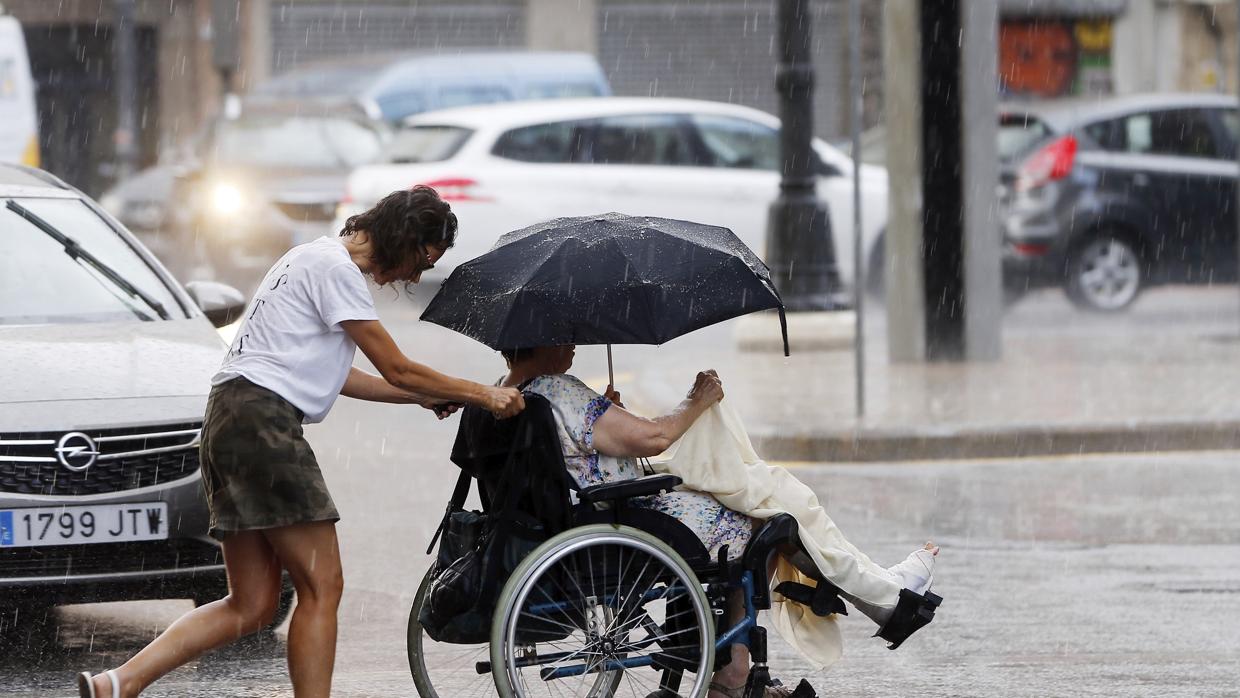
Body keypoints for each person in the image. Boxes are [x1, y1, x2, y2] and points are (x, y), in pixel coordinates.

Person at [77, 187, 525, 698]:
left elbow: (340, 376)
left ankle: (117, 683)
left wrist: (422, 398)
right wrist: (482, 392)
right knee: (323, 586)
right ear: (403, 237)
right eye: (423, 259)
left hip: (228, 420)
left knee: (250, 604)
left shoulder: (306, 258)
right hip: (263, 425)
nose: (414, 277)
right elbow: (397, 365)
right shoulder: (336, 271)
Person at [498, 345, 938, 698]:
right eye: (565, 335)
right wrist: (697, 400)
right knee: (764, 519)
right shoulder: (559, 391)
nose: (573, 343)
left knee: (762, 489)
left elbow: (587, 452)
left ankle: (874, 591)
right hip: (622, 518)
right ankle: (736, 668)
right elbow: (655, 437)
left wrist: (611, 414)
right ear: (544, 341)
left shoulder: (507, 397)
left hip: (595, 515)